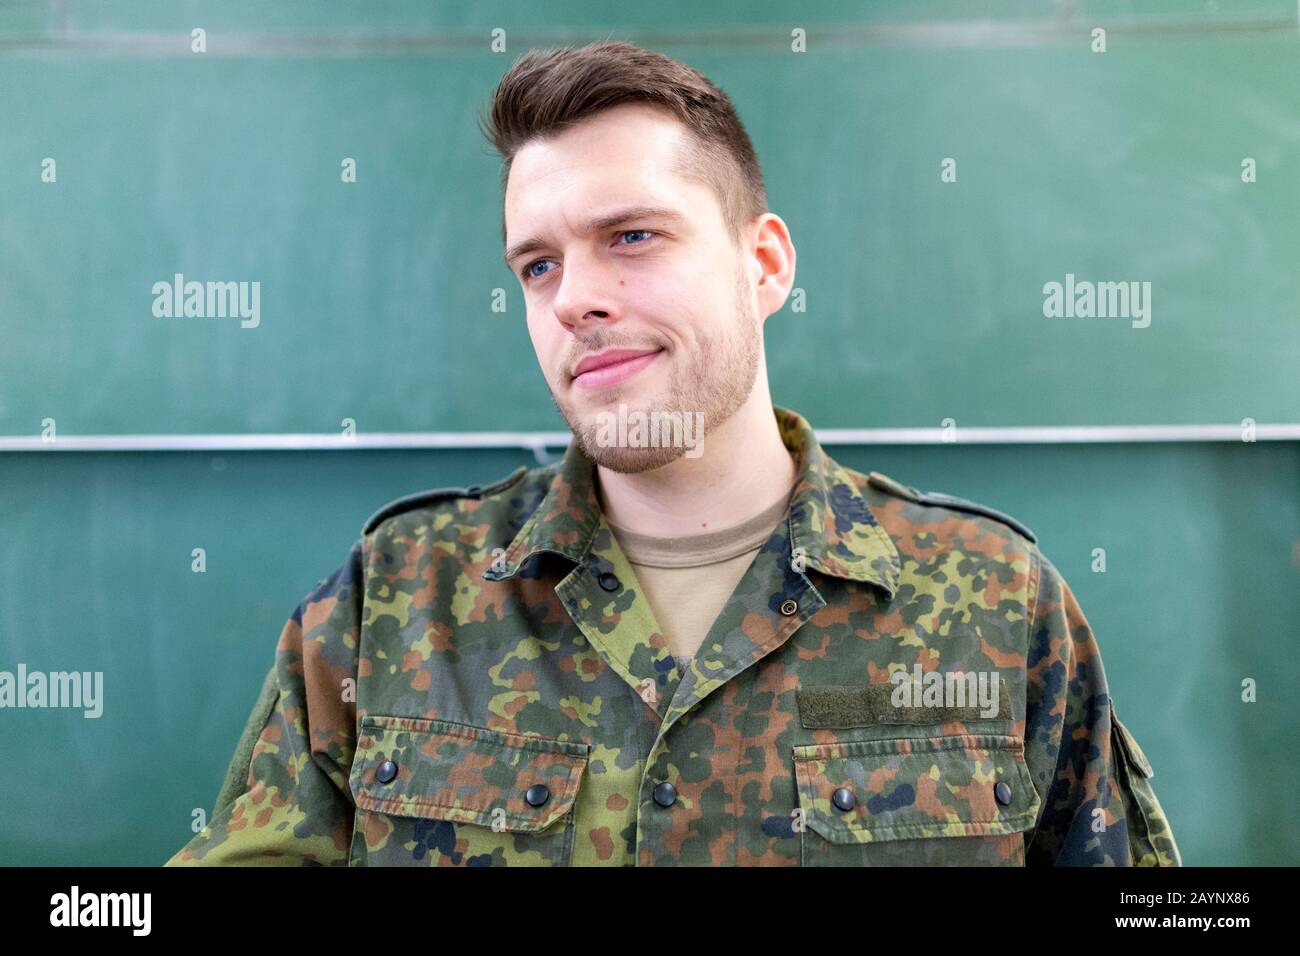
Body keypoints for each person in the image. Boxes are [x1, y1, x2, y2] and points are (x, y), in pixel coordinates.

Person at [166, 40, 1179, 867]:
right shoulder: (395, 600)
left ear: (764, 264)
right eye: (538, 263)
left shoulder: (995, 603)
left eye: (634, 237)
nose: (574, 298)